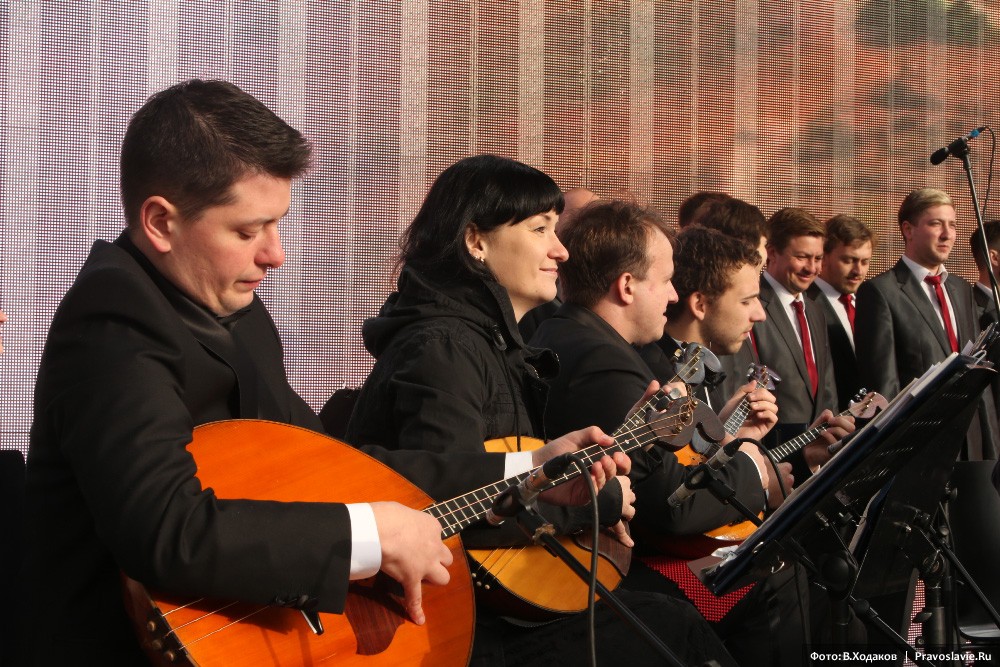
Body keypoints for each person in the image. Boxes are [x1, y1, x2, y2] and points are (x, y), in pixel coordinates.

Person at [23, 81, 623, 665]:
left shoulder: (236, 310)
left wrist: (530, 468)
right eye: (246, 230)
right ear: (160, 222)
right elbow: (170, 529)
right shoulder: (112, 325)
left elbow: (335, 465)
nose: (275, 252)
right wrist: (369, 535)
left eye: (277, 224)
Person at [345, 155, 736, 667]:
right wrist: (583, 508)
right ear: (476, 242)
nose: (561, 250)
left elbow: (508, 467)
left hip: (488, 612)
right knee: (670, 628)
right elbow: (444, 501)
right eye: (540, 229)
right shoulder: (444, 347)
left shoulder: (486, 343)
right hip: (449, 631)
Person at [855, 188, 996, 460]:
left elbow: (978, 372)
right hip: (920, 450)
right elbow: (884, 388)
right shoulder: (881, 292)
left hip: (975, 445)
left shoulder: (961, 289)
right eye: (936, 224)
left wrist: (992, 447)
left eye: (952, 225)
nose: (947, 234)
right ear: (908, 230)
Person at [718, 207, 843, 483]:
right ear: (772, 252)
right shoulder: (750, 305)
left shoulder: (815, 310)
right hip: (767, 455)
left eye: (818, 258)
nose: (812, 268)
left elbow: (826, 385)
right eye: (802, 257)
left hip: (815, 461)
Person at [806, 214, 876, 410]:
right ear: (824, 257)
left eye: (865, 262)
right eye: (849, 260)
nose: (858, 271)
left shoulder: (870, 302)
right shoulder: (806, 303)